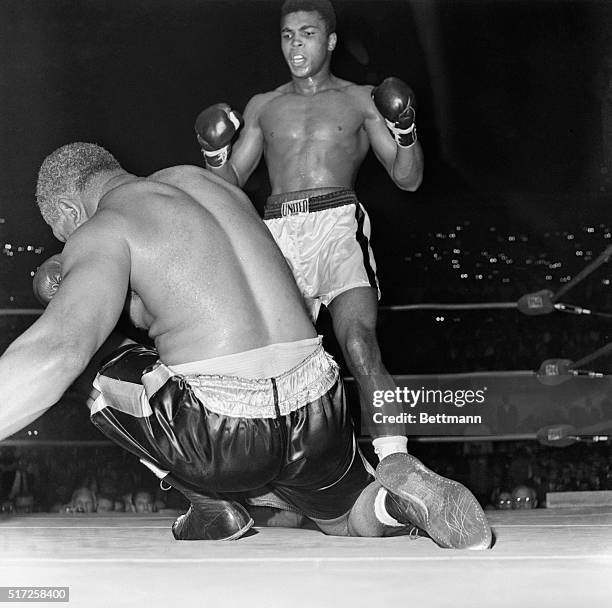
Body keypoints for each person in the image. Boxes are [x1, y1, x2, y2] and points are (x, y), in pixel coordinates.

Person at [0, 142, 490, 548]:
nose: (68, 245)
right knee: (344, 515)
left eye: (62, 234)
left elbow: (58, 351)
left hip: (222, 432)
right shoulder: (208, 184)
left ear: (68, 209)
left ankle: (209, 504)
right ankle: (394, 501)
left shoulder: (105, 227)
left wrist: (74, 286)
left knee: (87, 360)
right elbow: (195, 298)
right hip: (318, 407)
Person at [194, 0, 424, 459]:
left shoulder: (361, 99)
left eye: (307, 33)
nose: (296, 44)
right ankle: (283, 481)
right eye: (287, 35)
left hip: (337, 224)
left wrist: (406, 131)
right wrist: (214, 156)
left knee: (359, 344)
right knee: (269, 365)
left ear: (331, 40)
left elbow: (408, 177)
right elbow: (227, 186)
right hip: (275, 230)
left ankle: (398, 465)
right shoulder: (263, 106)